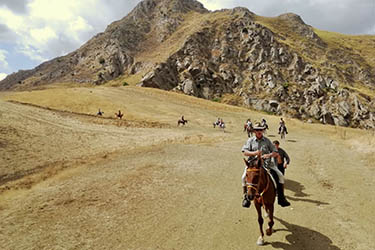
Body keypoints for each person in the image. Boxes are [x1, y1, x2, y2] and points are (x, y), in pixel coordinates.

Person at [241, 122, 290, 207]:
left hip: (267, 164)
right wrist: (254, 153)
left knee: (280, 175)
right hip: (253, 165)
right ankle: (246, 197)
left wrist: (269, 155)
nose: (259, 131)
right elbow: (245, 152)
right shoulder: (250, 141)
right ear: (254, 131)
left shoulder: (267, 141)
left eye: (260, 130)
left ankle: (281, 198)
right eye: (257, 130)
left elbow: (275, 152)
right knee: (243, 178)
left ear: (263, 131)